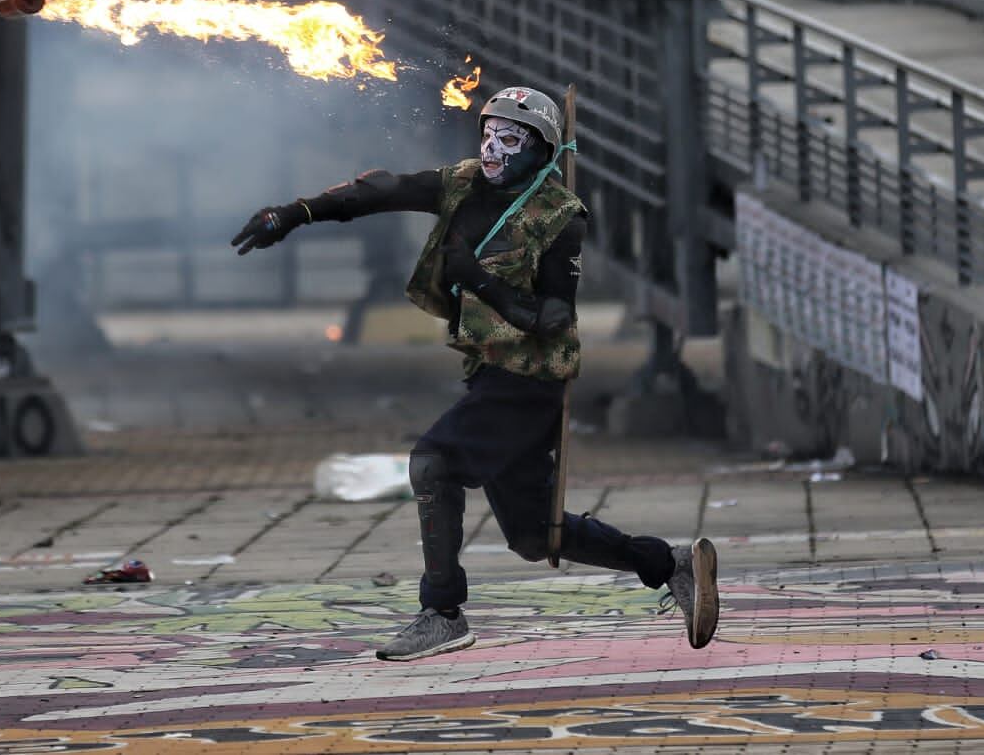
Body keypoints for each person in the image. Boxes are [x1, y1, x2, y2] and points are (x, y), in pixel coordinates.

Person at [232, 86, 719, 661]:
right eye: (488, 134)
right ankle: (670, 564)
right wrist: (293, 214)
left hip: (530, 380)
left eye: (510, 140)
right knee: (536, 536)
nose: (493, 149)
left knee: (433, 463)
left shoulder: (557, 216)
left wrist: (480, 279)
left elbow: (554, 317)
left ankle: (441, 611)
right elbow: (383, 190)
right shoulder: (463, 182)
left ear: (541, 150)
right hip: (490, 373)